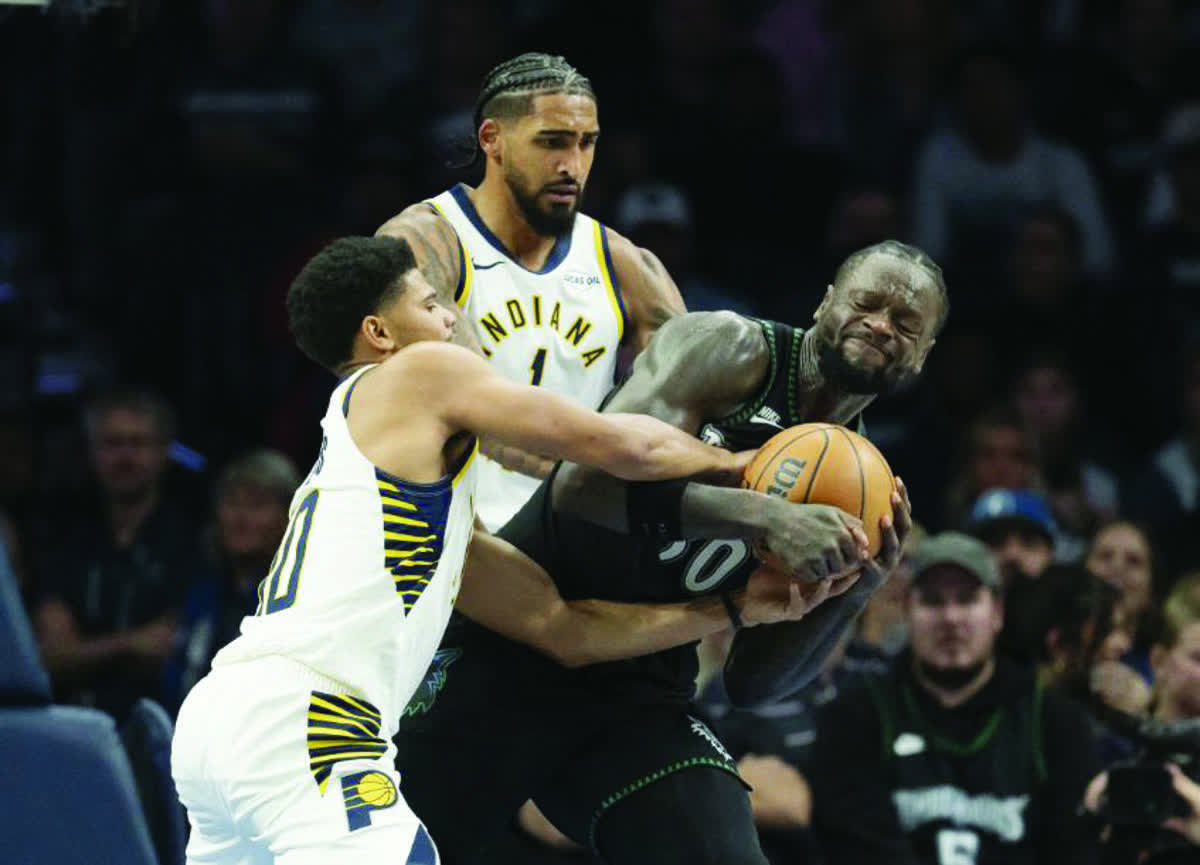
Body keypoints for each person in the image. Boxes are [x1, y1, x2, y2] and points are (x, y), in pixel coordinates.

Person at [169, 234, 824, 865]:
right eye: (429, 304)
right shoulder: (419, 370)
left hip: (219, 721)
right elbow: (623, 447)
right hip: (309, 721)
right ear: (379, 333)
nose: (451, 318)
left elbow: (563, 628)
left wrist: (733, 608)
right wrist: (744, 463)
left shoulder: (390, 498)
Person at [395, 239, 945, 865]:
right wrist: (764, 516)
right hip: (514, 644)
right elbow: (582, 487)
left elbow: (751, 684)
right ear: (825, 303)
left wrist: (859, 589)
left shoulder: (860, 483)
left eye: (906, 324)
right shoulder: (733, 349)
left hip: (639, 687)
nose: (880, 325)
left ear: (922, 357)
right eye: (867, 302)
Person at [376, 52, 688, 530]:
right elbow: (487, 418)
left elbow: (691, 406)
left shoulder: (624, 264)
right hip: (447, 535)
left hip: (580, 531)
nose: (573, 165)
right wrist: (623, 472)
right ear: (491, 139)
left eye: (587, 143)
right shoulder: (425, 242)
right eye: (552, 142)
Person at [807, 533, 1101, 865]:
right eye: (933, 601)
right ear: (907, 609)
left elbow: (1072, 848)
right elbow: (854, 846)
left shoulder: (1055, 723)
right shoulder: (854, 715)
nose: (951, 617)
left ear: (997, 612)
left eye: (967, 599)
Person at [32, 388, 205, 722]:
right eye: (112, 444)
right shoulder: (64, 538)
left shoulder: (193, 541)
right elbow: (51, 656)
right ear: (92, 452)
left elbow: (173, 650)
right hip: (77, 728)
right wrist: (131, 644)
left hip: (165, 728)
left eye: (138, 443)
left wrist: (88, 649)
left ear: (164, 452)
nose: (125, 456)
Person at [161, 449, 301, 715]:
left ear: (288, 517)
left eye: (257, 505)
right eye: (232, 503)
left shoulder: (297, 600)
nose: (241, 518)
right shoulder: (200, 592)